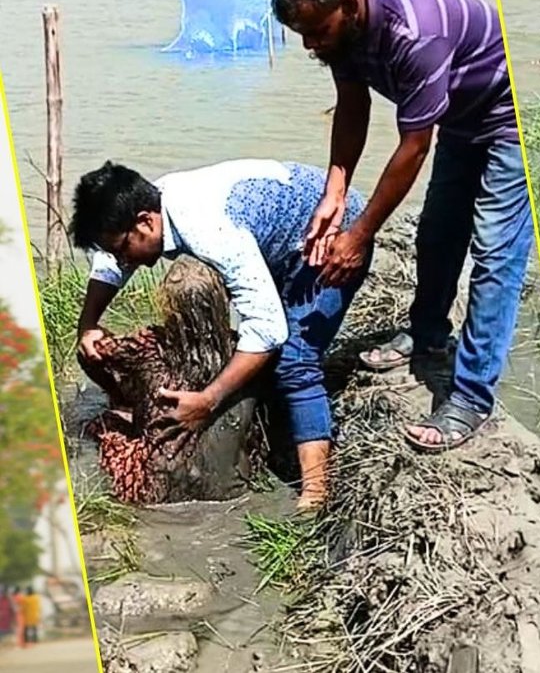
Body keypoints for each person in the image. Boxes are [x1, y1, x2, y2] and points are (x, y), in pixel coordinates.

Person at [272, 0, 533, 453]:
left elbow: (414, 147)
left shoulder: (415, 34)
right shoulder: (344, 32)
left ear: (348, 4)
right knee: (437, 233)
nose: (309, 46)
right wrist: (335, 190)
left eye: (315, 31)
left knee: (496, 253)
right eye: (301, 34)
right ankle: (429, 333)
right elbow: (351, 105)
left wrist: (360, 234)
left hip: (506, 119)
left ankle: (471, 396)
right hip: (459, 113)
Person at [71, 159, 369, 511]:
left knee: (294, 359)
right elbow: (109, 264)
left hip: (335, 226)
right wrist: (88, 324)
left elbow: (268, 328)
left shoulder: (208, 230)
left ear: (145, 223)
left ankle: (316, 493)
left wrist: (209, 400)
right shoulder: (150, 207)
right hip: (282, 225)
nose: (121, 261)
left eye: (121, 249)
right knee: (263, 355)